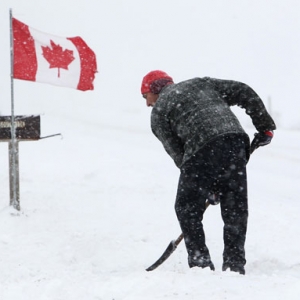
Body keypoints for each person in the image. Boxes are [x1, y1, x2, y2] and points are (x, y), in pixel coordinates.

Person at [141, 70, 276, 275]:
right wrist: (264, 125)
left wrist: (205, 187)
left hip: (201, 149)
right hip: (235, 140)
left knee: (187, 207)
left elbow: (179, 154)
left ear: (155, 89)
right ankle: (234, 264)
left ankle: (200, 263)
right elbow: (243, 90)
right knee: (235, 207)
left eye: (145, 96)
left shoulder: (159, 113)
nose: (147, 103)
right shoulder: (201, 83)